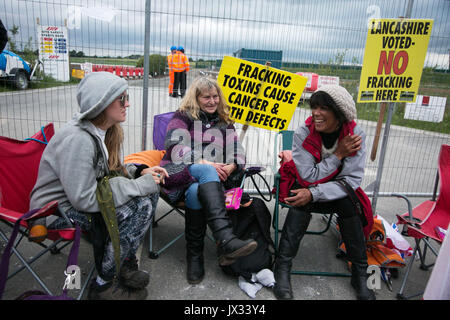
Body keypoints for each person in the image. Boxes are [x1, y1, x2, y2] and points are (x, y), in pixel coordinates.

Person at [29, 72, 168, 300]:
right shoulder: (79, 139)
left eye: (127, 97)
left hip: (75, 200)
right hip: (53, 211)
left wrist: (139, 172)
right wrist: (136, 187)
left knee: (150, 192)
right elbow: (84, 198)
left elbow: (108, 171)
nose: (128, 103)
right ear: (101, 103)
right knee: (139, 206)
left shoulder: (102, 131)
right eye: (121, 99)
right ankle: (104, 285)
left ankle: (123, 262)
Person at [272, 84, 376, 300]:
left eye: (324, 108)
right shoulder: (303, 133)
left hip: (337, 191)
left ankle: (360, 274)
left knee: (350, 203)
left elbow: (351, 180)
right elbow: (308, 176)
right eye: (314, 107)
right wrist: (338, 154)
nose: (316, 113)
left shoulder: (355, 134)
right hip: (306, 184)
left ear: (339, 112)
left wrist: (315, 193)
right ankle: (282, 268)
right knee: (300, 200)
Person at [160, 76, 257, 284]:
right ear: (196, 98)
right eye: (206, 97)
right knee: (205, 172)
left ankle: (194, 256)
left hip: (208, 182)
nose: (212, 101)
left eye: (215, 97)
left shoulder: (224, 121)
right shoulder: (183, 116)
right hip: (180, 171)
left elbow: (237, 150)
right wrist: (205, 162)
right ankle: (226, 239)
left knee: (196, 191)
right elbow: (175, 145)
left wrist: (232, 165)